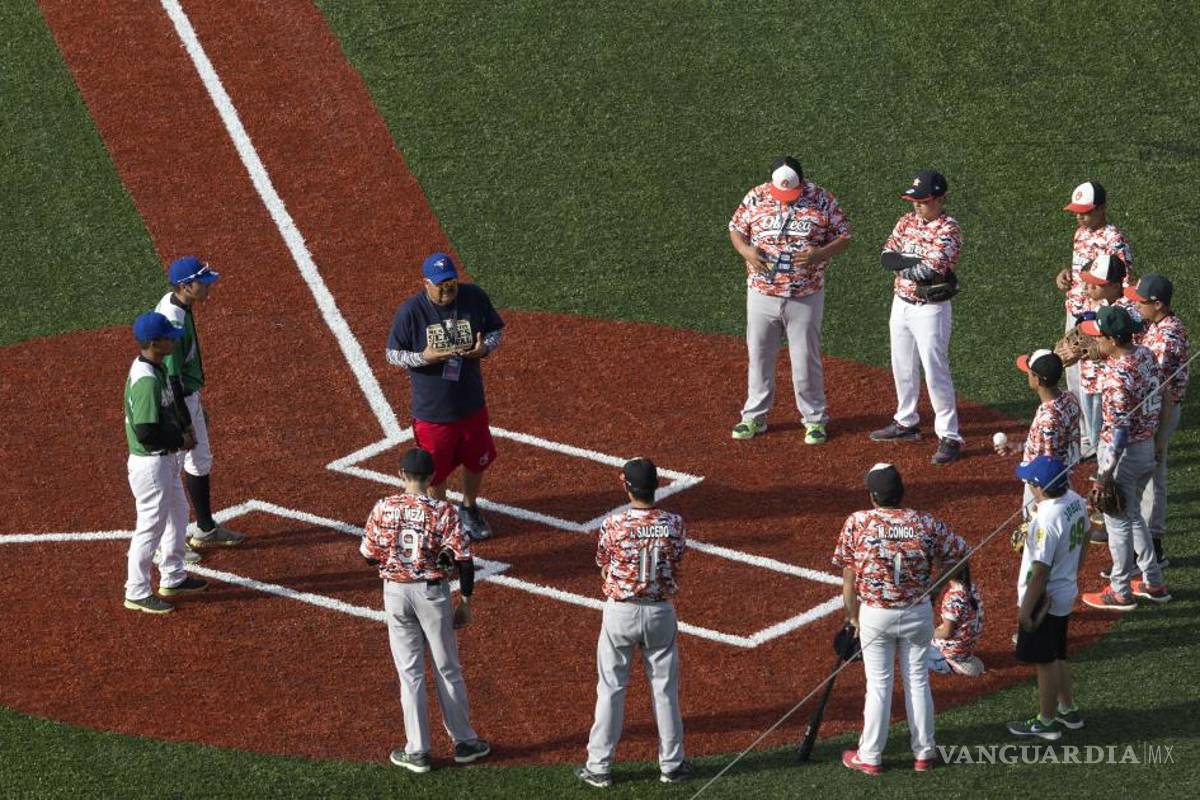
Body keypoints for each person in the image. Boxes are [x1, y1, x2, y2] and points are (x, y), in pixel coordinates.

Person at [361, 447, 490, 773]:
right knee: (448, 668)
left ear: (402, 475)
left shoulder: (384, 507)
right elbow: (464, 561)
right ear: (432, 477)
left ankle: (417, 751)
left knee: (411, 674)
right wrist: (466, 601)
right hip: (433, 595)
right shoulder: (444, 511)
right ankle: (464, 743)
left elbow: (368, 555)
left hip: (396, 594)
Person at [833, 463, 968, 775]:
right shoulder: (925, 522)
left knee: (879, 685)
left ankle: (870, 756)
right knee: (917, 680)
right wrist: (934, 587)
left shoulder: (858, 521)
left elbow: (849, 578)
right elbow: (961, 553)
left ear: (872, 496)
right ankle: (924, 753)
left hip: (875, 615)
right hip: (917, 612)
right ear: (901, 491)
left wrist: (852, 617)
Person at [576, 458, 692, 788]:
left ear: (625, 485)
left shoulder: (614, 524)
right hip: (659, 612)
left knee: (611, 689)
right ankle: (672, 764)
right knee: (665, 691)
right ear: (656, 485)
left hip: (621, 613)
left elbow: (603, 562)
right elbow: (677, 559)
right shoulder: (674, 523)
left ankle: (599, 766)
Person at [728, 155, 852, 444]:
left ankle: (814, 420)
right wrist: (746, 252)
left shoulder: (821, 199)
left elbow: (845, 236)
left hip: (805, 295)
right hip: (761, 293)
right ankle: (754, 417)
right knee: (759, 356)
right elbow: (735, 229)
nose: (785, 198)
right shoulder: (756, 196)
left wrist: (819, 255)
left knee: (805, 359)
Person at [386, 253, 505, 540]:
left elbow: (495, 330)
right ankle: (442, 517)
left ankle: (469, 508)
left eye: (451, 282)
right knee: (435, 474)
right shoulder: (411, 311)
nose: (447, 288)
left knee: (476, 460)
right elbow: (392, 354)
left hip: (471, 403)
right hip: (433, 412)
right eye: (440, 284)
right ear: (426, 283)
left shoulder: (474, 297)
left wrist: (484, 349)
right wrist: (423, 357)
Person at [155, 256, 247, 562]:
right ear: (185, 286)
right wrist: (185, 423)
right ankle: (162, 546)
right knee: (170, 473)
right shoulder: (174, 320)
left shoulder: (179, 303)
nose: (208, 288)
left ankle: (205, 529)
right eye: (202, 283)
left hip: (188, 398)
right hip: (175, 402)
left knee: (200, 461)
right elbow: (171, 378)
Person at [1078, 307, 1171, 610]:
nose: (1096, 342)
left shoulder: (1117, 377)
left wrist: (1105, 474)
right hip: (1146, 448)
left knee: (1117, 522)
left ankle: (1120, 590)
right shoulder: (1144, 354)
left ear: (1112, 340)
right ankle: (1153, 581)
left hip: (1125, 455)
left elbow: (1118, 432)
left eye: (1099, 337)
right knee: (1132, 517)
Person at [870, 170, 965, 465]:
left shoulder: (949, 230)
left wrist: (904, 264)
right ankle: (906, 421)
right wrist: (910, 264)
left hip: (930, 311)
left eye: (923, 201)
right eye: (914, 201)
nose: (916, 206)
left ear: (939, 199)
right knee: (902, 365)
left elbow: (930, 271)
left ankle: (949, 436)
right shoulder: (905, 221)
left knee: (935, 371)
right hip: (900, 305)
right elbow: (886, 255)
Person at [122, 311, 209, 614]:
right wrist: (179, 440)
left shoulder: (155, 367)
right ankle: (136, 590)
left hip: (164, 462)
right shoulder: (146, 380)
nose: (174, 340)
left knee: (179, 515)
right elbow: (145, 432)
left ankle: (173, 575)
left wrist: (183, 431)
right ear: (154, 342)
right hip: (152, 464)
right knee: (150, 528)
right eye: (168, 337)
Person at [1007, 455, 1088, 741]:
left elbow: (1040, 571)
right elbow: (1086, 539)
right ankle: (1069, 710)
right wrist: (1073, 572)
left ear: (1040, 487)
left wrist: (1025, 610)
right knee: (1058, 653)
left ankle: (1047, 721)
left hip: (1046, 596)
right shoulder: (1076, 500)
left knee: (1046, 661)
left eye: (1030, 482)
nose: (1028, 485)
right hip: (1064, 589)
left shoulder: (1046, 518)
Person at [1055, 182, 1134, 460]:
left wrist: (1102, 320)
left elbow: (1121, 284)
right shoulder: (1080, 233)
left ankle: (1097, 437)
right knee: (1073, 374)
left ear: (1101, 208)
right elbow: (1081, 270)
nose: (1080, 217)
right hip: (1074, 310)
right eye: (1077, 212)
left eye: (1086, 212)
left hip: (1096, 317)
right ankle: (1084, 434)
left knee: (1095, 377)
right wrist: (1065, 275)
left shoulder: (1115, 240)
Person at [1127, 275, 1189, 568]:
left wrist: (1161, 438)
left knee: (1154, 475)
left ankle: (1154, 544)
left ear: (1158, 304)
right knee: (1148, 475)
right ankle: (1145, 540)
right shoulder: (1157, 327)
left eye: (1141, 301)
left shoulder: (1168, 337)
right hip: (1152, 411)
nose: (1137, 304)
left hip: (1162, 411)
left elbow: (1163, 392)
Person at [996, 350, 1080, 518]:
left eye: (1029, 372)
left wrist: (1039, 507)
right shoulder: (1070, 398)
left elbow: (1046, 470)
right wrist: (1021, 447)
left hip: (1043, 487)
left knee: (1037, 533)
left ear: (1036, 379)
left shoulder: (1047, 419)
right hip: (1062, 477)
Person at [928, 562, 985, 677]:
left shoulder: (953, 597)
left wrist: (926, 633)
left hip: (953, 652)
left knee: (914, 643)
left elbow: (946, 632)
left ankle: (947, 665)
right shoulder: (971, 589)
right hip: (967, 648)